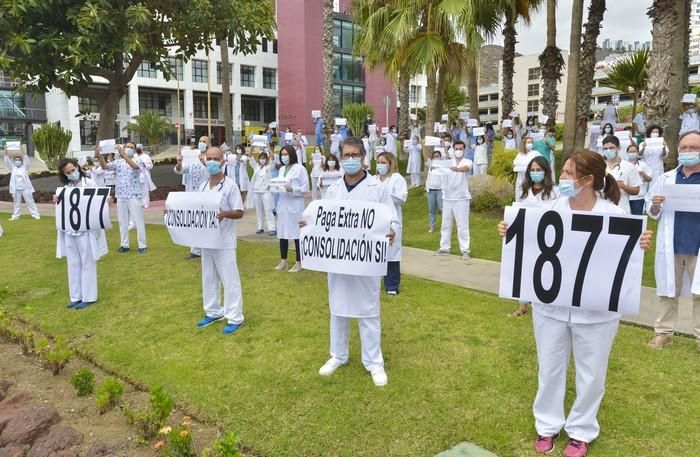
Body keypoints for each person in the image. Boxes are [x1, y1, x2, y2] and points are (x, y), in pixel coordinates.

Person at [498, 150, 652, 457]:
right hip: (551, 308)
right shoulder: (546, 210)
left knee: (591, 373)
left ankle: (581, 431)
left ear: (588, 180)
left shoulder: (615, 216)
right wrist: (509, 230)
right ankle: (547, 425)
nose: (564, 178)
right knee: (550, 367)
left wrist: (639, 244)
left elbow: (624, 261)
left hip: (596, 313)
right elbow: (527, 239)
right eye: (565, 172)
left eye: (570, 173)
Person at [307, 136, 398, 387]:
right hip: (339, 260)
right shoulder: (334, 189)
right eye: (345, 155)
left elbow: (391, 219)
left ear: (363, 158)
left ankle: (374, 362)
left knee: (368, 309)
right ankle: (338, 355)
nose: (349, 160)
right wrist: (309, 225)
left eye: (353, 156)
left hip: (365, 260)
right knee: (338, 307)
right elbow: (324, 219)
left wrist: (392, 231)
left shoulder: (377, 188)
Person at [646, 131, 700, 351]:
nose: (688, 152)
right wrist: (656, 205)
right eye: (684, 148)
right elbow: (651, 209)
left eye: (694, 148)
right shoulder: (666, 178)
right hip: (673, 244)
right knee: (668, 291)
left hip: (696, 244)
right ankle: (663, 333)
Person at [194, 147, 246, 335]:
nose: (212, 162)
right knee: (208, 277)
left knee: (229, 278)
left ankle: (235, 317)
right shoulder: (202, 186)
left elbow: (239, 212)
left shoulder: (230, 185)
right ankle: (213, 311)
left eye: (216, 158)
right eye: (209, 158)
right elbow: (194, 209)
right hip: (207, 240)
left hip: (224, 240)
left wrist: (225, 214)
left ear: (223, 161)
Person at [507, 156, 560, 317]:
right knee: (525, 268)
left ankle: (543, 303)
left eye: (539, 170)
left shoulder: (555, 192)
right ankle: (522, 305)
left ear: (546, 171)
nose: (535, 173)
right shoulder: (524, 190)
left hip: (548, 238)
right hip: (527, 235)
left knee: (545, 270)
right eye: (533, 170)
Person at [55, 158, 108, 310]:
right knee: (73, 263)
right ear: (64, 175)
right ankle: (76, 296)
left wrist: (106, 200)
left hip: (86, 230)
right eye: (68, 172)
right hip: (71, 231)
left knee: (87, 262)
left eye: (73, 170)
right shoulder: (66, 187)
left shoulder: (89, 183)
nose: (72, 173)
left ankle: (89, 296)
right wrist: (57, 200)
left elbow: (98, 201)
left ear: (78, 167)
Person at [97, 142, 147, 253]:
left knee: (138, 221)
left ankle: (142, 245)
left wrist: (123, 154)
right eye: (127, 147)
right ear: (124, 148)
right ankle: (124, 244)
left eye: (131, 148)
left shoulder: (138, 160)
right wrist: (100, 155)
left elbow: (134, 166)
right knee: (123, 222)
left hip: (134, 194)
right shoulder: (118, 162)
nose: (129, 148)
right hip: (121, 195)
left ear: (134, 150)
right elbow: (105, 167)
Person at [376, 152, 408, 295]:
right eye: (378, 162)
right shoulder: (373, 180)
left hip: (392, 219)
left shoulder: (397, 179)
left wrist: (385, 195)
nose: (380, 165)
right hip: (377, 220)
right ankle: (375, 283)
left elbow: (401, 198)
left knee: (392, 253)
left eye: (384, 163)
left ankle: (392, 286)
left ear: (390, 164)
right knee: (377, 252)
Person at [435, 140, 472, 260]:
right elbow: (437, 166)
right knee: (445, 224)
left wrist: (457, 169)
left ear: (464, 150)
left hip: (461, 198)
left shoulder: (468, 162)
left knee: (462, 225)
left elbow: (466, 168)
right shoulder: (447, 163)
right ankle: (445, 248)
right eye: (456, 149)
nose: (459, 151)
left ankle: (465, 250)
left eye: (461, 149)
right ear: (453, 149)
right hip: (447, 197)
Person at [275, 144, 309, 273]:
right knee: (282, 232)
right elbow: (279, 184)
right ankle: (283, 260)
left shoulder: (300, 169)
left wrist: (293, 189)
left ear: (292, 155)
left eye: (286, 154)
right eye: (282, 155)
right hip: (283, 204)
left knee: (296, 234)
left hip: (295, 205)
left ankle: (299, 262)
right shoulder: (282, 169)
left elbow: (305, 189)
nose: (284, 157)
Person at [175, 138, 209, 259]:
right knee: (193, 222)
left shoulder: (211, 157)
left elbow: (216, 171)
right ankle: (195, 250)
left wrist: (204, 162)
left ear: (208, 144)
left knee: (205, 222)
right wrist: (179, 162)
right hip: (192, 195)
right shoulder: (191, 158)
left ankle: (207, 247)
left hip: (206, 195)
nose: (202, 143)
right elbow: (181, 171)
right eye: (200, 141)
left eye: (204, 141)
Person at [601, 135, 641, 214]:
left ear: (618, 148)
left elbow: (636, 190)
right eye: (605, 148)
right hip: (602, 208)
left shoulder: (629, 167)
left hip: (621, 208)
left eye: (611, 148)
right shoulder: (600, 166)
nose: (608, 150)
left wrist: (623, 186)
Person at [4, 148, 40, 220]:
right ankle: (16, 216)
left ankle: (35, 214)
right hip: (16, 188)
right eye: (16, 160)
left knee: (30, 201)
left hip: (25, 188)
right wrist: (6, 151)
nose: (17, 161)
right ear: (14, 162)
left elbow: (27, 161)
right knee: (16, 203)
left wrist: (24, 153)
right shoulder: (13, 168)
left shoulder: (25, 168)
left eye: (19, 160)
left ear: (21, 161)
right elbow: (7, 162)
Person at [247, 151, 276, 236]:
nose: (262, 160)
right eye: (261, 158)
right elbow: (250, 156)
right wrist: (252, 145)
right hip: (257, 191)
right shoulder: (256, 167)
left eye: (264, 158)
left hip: (266, 191)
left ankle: (272, 228)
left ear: (266, 159)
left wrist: (268, 147)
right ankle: (260, 227)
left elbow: (272, 159)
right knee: (259, 210)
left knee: (268, 209)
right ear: (258, 159)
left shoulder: (269, 167)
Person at [626, 143, 653, 216]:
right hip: (625, 197)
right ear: (627, 153)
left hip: (639, 197)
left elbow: (650, 179)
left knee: (637, 218)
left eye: (634, 151)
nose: (632, 153)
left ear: (637, 153)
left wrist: (643, 174)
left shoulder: (643, 165)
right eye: (630, 152)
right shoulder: (623, 164)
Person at [425, 150, 444, 233]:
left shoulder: (443, 166)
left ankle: (444, 228)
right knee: (431, 210)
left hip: (440, 190)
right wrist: (424, 144)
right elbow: (425, 156)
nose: (436, 158)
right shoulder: (430, 165)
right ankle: (432, 227)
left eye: (438, 156)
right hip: (431, 191)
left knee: (442, 209)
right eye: (435, 156)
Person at [135, 144, 156, 208]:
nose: (138, 149)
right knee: (137, 190)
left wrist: (144, 164)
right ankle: (139, 203)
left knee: (145, 190)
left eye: (139, 148)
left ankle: (146, 203)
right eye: (137, 148)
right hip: (135, 175)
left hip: (144, 175)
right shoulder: (134, 156)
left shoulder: (146, 156)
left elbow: (150, 166)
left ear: (141, 149)